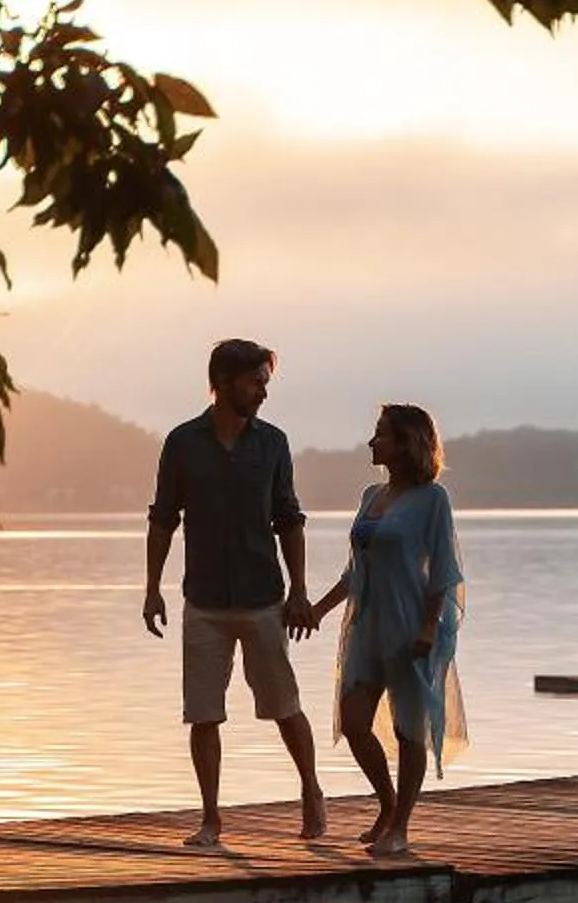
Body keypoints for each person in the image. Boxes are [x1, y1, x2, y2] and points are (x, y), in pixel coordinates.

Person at [144, 339, 326, 848]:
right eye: (255, 382)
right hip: (203, 600)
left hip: (263, 598)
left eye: (266, 382)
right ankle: (210, 818)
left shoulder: (272, 444)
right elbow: (163, 518)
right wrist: (152, 588)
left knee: (283, 704)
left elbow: (288, 519)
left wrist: (300, 591)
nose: (263, 392)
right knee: (203, 712)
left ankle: (311, 789)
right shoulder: (182, 444)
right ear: (223, 383)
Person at [305, 404, 465, 859]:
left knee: (409, 729)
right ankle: (388, 803)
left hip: (410, 622)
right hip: (365, 624)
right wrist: (317, 609)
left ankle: (401, 826)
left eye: (380, 435)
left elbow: (444, 570)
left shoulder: (433, 499)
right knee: (354, 722)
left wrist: (430, 627)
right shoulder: (370, 495)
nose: (371, 442)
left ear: (406, 442)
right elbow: (355, 570)